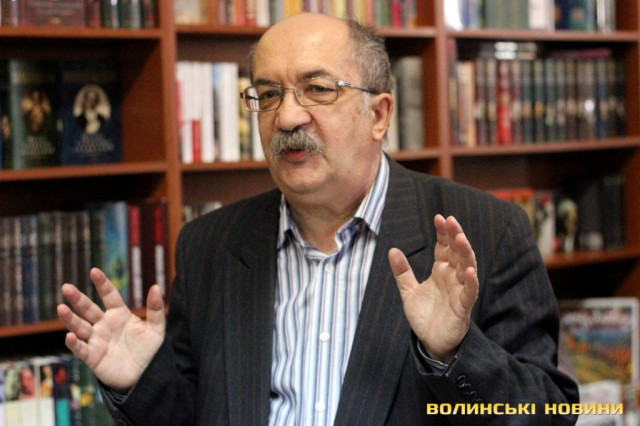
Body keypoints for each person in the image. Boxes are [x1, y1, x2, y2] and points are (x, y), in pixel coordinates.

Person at [57, 12, 579, 425]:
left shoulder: (485, 231)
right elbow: (191, 414)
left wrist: (455, 354)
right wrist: (139, 382)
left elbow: (550, 412)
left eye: (319, 89)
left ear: (379, 115)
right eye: (268, 94)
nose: (287, 116)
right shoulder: (210, 245)